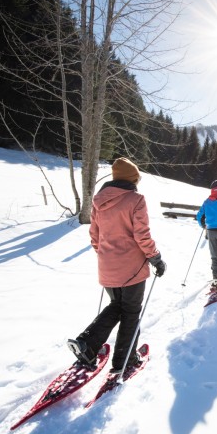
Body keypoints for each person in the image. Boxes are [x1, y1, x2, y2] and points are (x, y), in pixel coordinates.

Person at [68, 157, 166, 372]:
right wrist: (156, 258)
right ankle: (125, 360)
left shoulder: (99, 201)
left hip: (107, 267)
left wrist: (107, 255)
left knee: (117, 307)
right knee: (130, 312)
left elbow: (95, 236)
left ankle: (88, 344)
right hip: (132, 269)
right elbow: (142, 235)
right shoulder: (136, 199)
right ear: (133, 179)